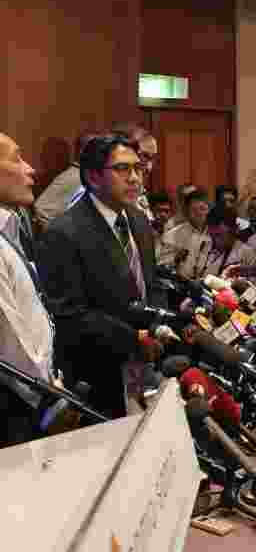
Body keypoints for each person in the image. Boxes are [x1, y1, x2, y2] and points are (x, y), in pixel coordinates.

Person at [38, 134, 170, 419]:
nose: (135, 178)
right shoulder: (64, 233)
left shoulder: (137, 220)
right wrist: (134, 338)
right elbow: (70, 314)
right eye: (123, 169)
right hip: (97, 370)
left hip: (145, 361)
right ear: (94, 177)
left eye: (138, 168)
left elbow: (151, 282)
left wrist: (158, 324)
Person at [0, 132, 60, 447]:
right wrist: (51, 395)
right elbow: (11, 344)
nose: (30, 169)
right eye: (16, 158)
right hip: (17, 408)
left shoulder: (10, 231)